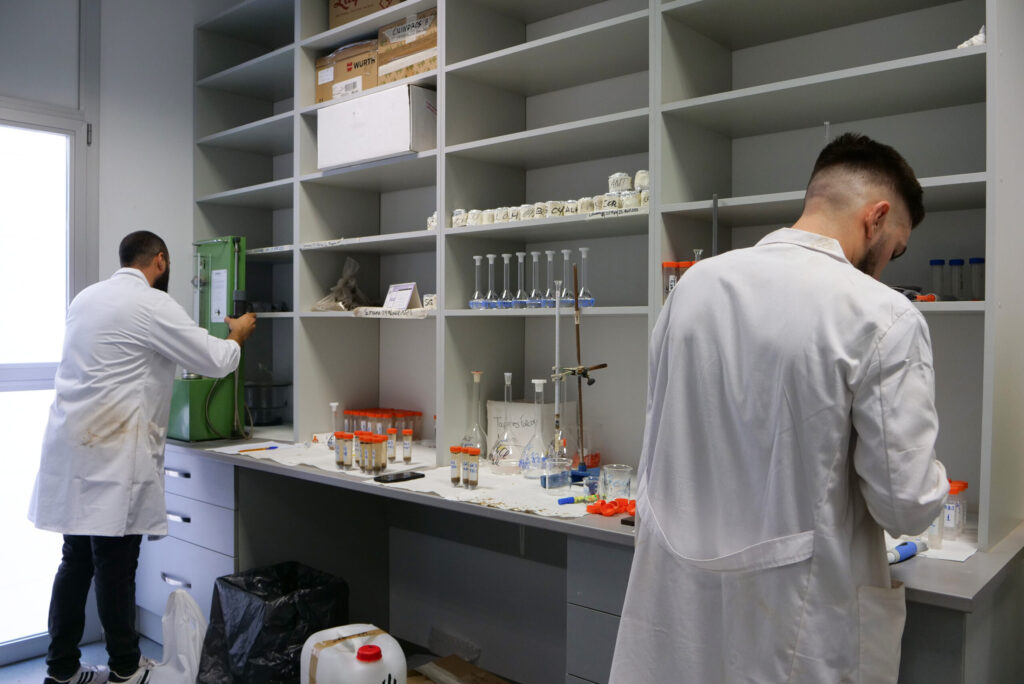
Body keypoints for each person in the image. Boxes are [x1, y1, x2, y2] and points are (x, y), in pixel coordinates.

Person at [609, 134, 949, 683]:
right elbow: (906, 506)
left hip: (681, 609)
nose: (888, 265)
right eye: (896, 248)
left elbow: (666, 436)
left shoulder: (693, 288)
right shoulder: (881, 314)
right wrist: (935, 479)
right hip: (794, 630)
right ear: (877, 217)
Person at [28, 231, 257, 684]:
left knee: (76, 560)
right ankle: (126, 669)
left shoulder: (86, 299)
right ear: (160, 260)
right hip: (112, 455)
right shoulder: (152, 304)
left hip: (73, 449)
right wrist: (237, 335)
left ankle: (61, 670)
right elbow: (214, 360)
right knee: (115, 566)